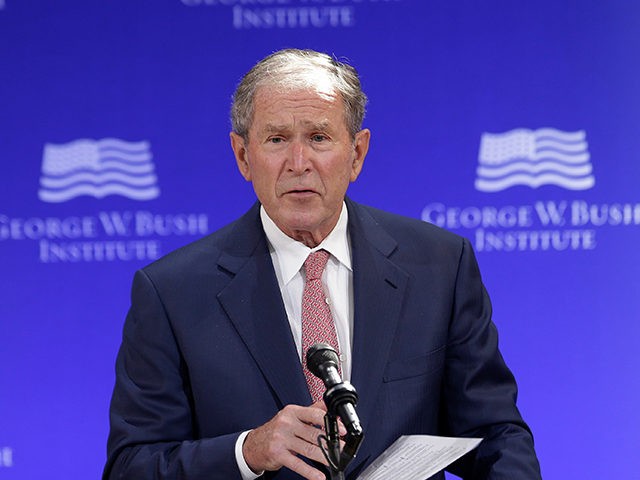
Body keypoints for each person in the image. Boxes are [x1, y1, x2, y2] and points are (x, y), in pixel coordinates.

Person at [103, 48, 542, 480]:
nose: (299, 164)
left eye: (318, 137)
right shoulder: (172, 292)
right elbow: (132, 466)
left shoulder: (440, 265)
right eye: (276, 139)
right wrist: (247, 452)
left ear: (356, 153)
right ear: (242, 156)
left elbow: (495, 434)